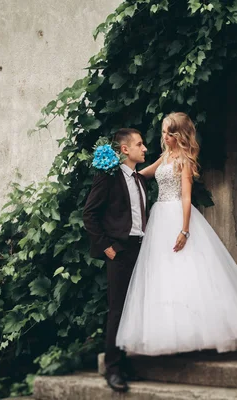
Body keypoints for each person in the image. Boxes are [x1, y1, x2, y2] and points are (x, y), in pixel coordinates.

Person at [116, 112, 237, 356]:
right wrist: (123, 171)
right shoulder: (166, 155)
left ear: (180, 135)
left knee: (189, 272)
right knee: (163, 274)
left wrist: (185, 230)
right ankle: (170, 333)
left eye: (170, 133)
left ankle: (200, 335)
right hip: (159, 217)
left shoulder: (184, 161)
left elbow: (187, 198)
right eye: (164, 132)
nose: (165, 137)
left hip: (178, 217)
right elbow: (146, 173)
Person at [82, 128, 148, 393]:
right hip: (120, 251)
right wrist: (106, 247)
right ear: (125, 150)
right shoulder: (108, 177)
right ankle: (113, 368)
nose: (144, 148)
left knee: (135, 309)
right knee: (118, 310)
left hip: (141, 249)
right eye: (140, 144)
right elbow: (89, 214)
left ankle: (125, 361)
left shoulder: (140, 180)